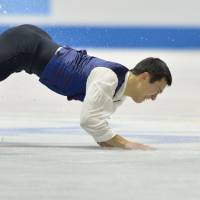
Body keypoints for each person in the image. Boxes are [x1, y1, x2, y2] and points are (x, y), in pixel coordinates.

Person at [0, 24, 172, 150]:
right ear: (145, 76)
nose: (155, 97)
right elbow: (89, 121)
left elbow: (99, 130)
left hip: (33, 43)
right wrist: (125, 143)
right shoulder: (109, 78)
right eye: (157, 89)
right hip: (25, 46)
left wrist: (113, 142)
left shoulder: (119, 93)